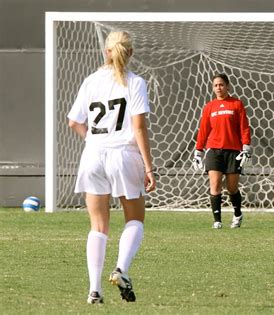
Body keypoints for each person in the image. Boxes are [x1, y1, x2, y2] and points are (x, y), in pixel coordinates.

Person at [67, 31, 156, 304]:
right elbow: (139, 127)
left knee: (98, 225)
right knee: (134, 219)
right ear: (130, 53)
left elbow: (74, 122)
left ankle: (94, 290)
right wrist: (149, 167)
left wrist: (94, 140)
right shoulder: (135, 82)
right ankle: (121, 269)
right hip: (123, 155)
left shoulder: (90, 81)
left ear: (106, 51)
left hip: (92, 155)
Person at [192, 73, 252, 229]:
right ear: (213, 88)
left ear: (227, 86)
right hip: (214, 151)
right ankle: (217, 220)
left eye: (221, 85)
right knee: (215, 184)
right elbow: (203, 130)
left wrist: (246, 147)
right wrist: (198, 150)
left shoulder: (237, 104)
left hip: (233, 151)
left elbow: (244, 127)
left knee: (232, 188)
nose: (218, 88)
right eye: (215, 85)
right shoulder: (209, 107)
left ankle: (237, 214)